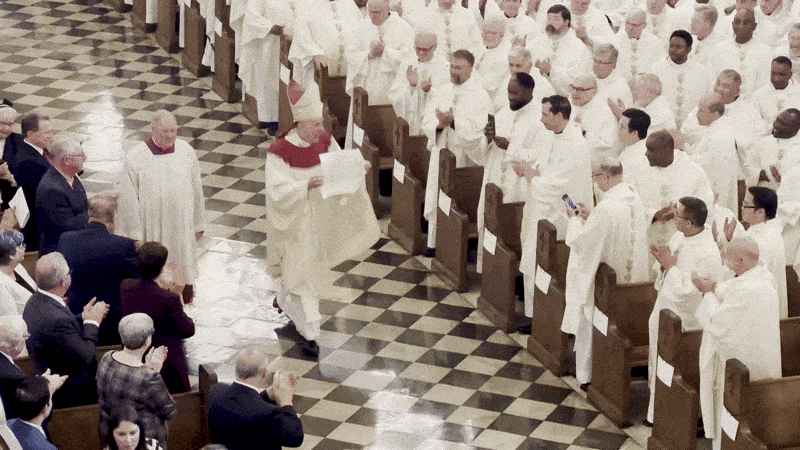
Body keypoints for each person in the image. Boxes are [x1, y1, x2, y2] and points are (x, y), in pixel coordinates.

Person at [266, 81, 380, 358]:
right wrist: (304, 186)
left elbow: (340, 166)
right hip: (297, 220)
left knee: (307, 268)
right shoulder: (280, 150)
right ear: (300, 124)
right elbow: (276, 189)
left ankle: (285, 297)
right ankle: (311, 329)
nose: (322, 128)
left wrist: (358, 166)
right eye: (316, 124)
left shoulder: (325, 140)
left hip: (321, 218)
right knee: (302, 268)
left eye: (321, 122)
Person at [562, 157, 649, 389]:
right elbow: (609, 230)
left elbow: (581, 242)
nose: (594, 181)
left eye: (596, 176)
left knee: (593, 322)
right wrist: (591, 218)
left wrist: (574, 221)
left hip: (605, 283)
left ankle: (587, 375)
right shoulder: (634, 198)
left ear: (607, 177)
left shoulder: (607, 207)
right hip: (631, 282)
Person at [693, 237, 781, 450]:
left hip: (740, 367)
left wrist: (706, 292)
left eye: (729, 261)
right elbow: (735, 290)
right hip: (762, 360)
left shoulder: (745, 289)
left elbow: (717, 322)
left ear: (740, 260)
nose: (727, 265)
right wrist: (716, 290)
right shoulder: (765, 277)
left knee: (735, 410)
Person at [645, 196, 722, 425]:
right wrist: (663, 265)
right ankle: (654, 409)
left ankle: (669, 414)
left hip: (685, 322)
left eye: (676, 214)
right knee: (656, 361)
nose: (673, 217)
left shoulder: (707, 252)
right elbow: (668, 265)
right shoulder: (680, 235)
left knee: (671, 364)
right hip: (665, 310)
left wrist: (670, 267)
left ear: (688, 223)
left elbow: (691, 293)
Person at [516, 95, 593, 323]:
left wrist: (534, 178)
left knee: (547, 262)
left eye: (545, 114)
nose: (541, 119)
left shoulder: (577, 145)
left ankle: (548, 320)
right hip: (541, 208)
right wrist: (535, 169)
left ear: (560, 115)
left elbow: (563, 183)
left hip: (560, 214)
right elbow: (545, 162)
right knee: (533, 258)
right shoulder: (553, 135)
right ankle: (534, 316)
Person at [124, 110, 206, 304]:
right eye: (164, 132)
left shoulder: (186, 151)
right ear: (153, 129)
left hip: (182, 225)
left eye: (174, 131)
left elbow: (197, 189)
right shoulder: (136, 156)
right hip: (153, 224)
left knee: (182, 260)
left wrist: (199, 222)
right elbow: (128, 199)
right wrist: (135, 235)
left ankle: (184, 299)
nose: (170, 136)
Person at [421, 49, 491, 257]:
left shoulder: (481, 96)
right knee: (437, 192)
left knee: (459, 196)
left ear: (471, 68)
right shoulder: (441, 90)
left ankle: (460, 244)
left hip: (464, 156)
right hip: (441, 151)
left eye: (458, 67)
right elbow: (426, 120)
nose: (453, 71)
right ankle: (433, 242)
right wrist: (440, 125)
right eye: (452, 66)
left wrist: (454, 123)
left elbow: (481, 131)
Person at [23, 252, 109, 408]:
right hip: (73, 392)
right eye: (69, 272)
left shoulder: (35, 301)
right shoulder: (56, 320)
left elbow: (58, 331)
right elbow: (86, 356)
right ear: (64, 281)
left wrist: (82, 316)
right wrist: (92, 321)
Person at [477, 73, 546, 271]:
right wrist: (488, 139)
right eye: (508, 92)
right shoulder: (502, 113)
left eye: (515, 93)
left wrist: (510, 147)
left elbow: (540, 156)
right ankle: (489, 270)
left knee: (511, 228)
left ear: (529, 92)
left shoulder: (540, 120)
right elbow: (485, 151)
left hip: (518, 186)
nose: (510, 97)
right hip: (495, 179)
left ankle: (511, 274)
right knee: (490, 220)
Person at [57, 193, 138, 346]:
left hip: (77, 314)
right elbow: (135, 279)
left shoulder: (66, 239)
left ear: (89, 214)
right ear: (114, 217)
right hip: (112, 318)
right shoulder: (123, 245)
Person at [121, 242, 195, 394]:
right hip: (164, 360)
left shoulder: (126, 286)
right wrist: (177, 294)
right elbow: (187, 330)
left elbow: (148, 296)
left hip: (133, 349)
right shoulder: (169, 299)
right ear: (161, 269)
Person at [96, 313, 176, 447]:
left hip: (112, 434)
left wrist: (146, 369)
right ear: (148, 339)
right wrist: (153, 371)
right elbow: (169, 411)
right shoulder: (149, 378)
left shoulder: (107, 357)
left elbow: (128, 387)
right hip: (140, 441)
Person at [625, 130, 714, 247]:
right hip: (648, 239)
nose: (646, 154)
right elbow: (630, 203)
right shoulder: (639, 171)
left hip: (682, 242)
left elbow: (706, 206)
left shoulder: (693, 171)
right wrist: (654, 214)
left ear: (666, 151)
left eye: (651, 150)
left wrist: (681, 213)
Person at [207, 346, 304, 450]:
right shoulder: (270, 414)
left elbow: (246, 407)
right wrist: (286, 402)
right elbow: (295, 438)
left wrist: (267, 393)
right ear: (264, 374)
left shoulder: (216, 391)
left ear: (238, 369)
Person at [721, 187, 788, 318]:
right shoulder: (758, 229)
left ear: (760, 212)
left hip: (760, 305)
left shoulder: (767, 239)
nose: (741, 208)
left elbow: (743, 272)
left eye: (746, 205)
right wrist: (729, 239)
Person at [237, 0, 296, 135]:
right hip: (269, 43)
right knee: (270, 81)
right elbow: (251, 16)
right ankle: (272, 120)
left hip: (294, 44)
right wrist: (269, 27)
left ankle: (291, 119)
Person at [0, 316, 66, 421]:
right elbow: (36, 412)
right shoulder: (14, 377)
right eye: (26, 336)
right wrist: (47, 386)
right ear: (16, 344)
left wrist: (37, 382)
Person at [35, 132, 89, 255]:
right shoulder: (51, 189)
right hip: (60, 252)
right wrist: (97, 213)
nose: (85, 157)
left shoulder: (71, 175)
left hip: (75, 243)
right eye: (80, 155)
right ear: (67, 160)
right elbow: (68, 226)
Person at [681, 98, 738, 212]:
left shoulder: (719, 136)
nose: (697, 114)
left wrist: (680, 152)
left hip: (715, 191)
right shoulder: (716, 128)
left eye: (701, 111)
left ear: (715, 114)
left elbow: (700, 165)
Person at [388, 29, 450, 134]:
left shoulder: (444, 66)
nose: (420, 53)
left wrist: (429, 91)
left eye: (424, 49)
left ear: (434, 47)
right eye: (417, 48)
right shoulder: (407, 63)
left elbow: (447, 98)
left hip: (433, 124)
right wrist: (412, 86)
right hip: (411, 122)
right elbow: (395, 95)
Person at [287, 0, 361, 87]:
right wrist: (316, 54)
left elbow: (361, 30)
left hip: (350, 70)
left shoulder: (349, 3)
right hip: (318, 71)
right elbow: (301, 34)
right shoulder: (306, 4)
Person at [10, 114, 55, 252]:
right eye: (47, 133)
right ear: (31, 134)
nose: (52, 136)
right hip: (38, 226)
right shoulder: (27, 161)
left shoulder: (40, 149)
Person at [527, 4, 592, 96]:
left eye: (556, 19)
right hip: (535, 94)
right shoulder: (536, 42)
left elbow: (576, 83)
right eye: (549, 18)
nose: (550, 22)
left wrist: (551, 71)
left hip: (563, 101)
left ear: (566, 22)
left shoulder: (578, 48)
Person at [650, 30, 710, 127]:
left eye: (678, 47)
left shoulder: (701, 72)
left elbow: (705, 99)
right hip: (663, 125)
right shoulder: (657, 70)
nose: (673, 49)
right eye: (672, 46)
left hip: (692, 125)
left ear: (688, 49)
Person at [570, 75, 618, 157]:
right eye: (572, 88)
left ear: (594, 91)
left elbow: (607, 144)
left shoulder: (603, 112)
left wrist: (583, 132)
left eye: (580, 89)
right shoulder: (572, 104)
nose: (574, 93)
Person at [7, 377, 58, 450]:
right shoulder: (47, 448)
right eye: (51, 397)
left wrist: (38, 385)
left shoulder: (7, 424)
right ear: (46, 407)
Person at [754, 57, 800, 133]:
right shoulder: (759, 94)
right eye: (773, 73)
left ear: (790, 75)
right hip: (766, 139)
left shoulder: (798, 93)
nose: (776, 79)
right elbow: (754, 123)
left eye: (781, 74)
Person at [616, 8, 663, 79]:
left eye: (634, 25)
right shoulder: (615, 40)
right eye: (627, 23)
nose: (630, 28)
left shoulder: (654, 43)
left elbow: (659, 66)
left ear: (644, 25)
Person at [0, 230, 32, 314]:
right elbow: (11, 317)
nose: (24, 247)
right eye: (21, 246)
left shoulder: (18, 267)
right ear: (11, 255)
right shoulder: (1, 284)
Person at [0, 106, 20, 210]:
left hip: (8, 207)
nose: (6, 128)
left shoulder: (20, 143)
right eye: (2, 123)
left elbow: (29, 180)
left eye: (10, 124)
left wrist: (10, 178)